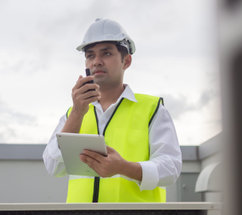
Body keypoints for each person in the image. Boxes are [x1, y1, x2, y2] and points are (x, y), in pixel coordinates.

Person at [43, 18, 182, 203]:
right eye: (90, 55)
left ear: (127, 61)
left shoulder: (152, 109)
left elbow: (171, 168)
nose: (96, 62)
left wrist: (123, 168)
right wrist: (77, 113)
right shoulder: (73, 113)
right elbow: (53, 166)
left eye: (106, 53)